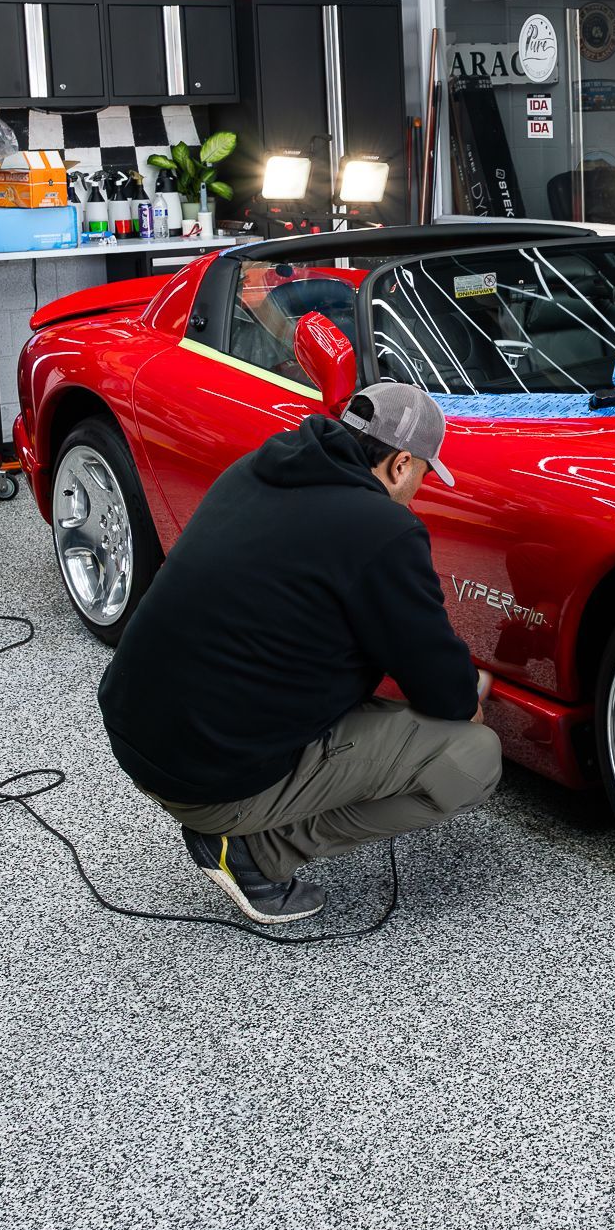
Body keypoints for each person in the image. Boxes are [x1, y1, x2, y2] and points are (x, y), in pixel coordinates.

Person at [98, 382, 500, 924]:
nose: (419, 490)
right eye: (424, 475)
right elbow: (443, 689)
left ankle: (241, 819)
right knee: (472, 757)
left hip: (139, 732)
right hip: (207, 776)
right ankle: (253, 852)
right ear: (401, 464)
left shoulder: (255, 470)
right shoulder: (382, 529)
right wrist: (465, 694)